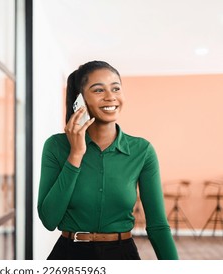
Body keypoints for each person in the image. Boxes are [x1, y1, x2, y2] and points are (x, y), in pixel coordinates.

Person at [37, 60, 178, 260]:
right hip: (69, 256)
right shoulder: (56, 146)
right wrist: (75, 154)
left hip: (122, 255)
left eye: (116, 88)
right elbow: (49, 220)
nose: (111, 97)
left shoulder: (142, 151)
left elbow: (158, 225)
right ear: (80, 99)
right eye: (98, 90)